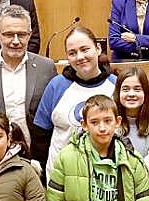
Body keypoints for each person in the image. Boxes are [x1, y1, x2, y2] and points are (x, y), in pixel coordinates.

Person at [0, 4, 57, 167]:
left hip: (35, 157)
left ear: (30, 35)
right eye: (9, 35)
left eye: (22, 34)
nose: (16, 41)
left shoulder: (46, 67)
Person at [35, 26, 117, 176]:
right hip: (62, 177)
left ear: (98, 49)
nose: (79, 57)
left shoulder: (116, 85)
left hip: (106, 177)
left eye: (85, 49)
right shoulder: (56, 85)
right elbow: (41, 135)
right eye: (72, 53)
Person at [114, 68, 149, 155]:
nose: (131, 94)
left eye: (137, 89)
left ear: (145, 92)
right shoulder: (109, 121)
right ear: (118, 92)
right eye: (125, 89)